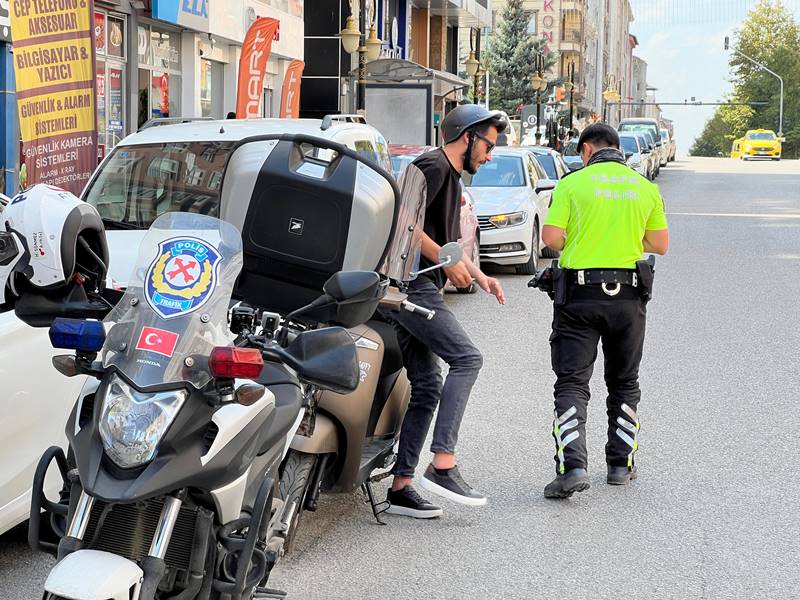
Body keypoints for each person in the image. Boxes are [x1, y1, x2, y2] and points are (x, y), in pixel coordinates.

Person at [384, 105, 507, 519]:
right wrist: (446, 260)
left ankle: (401, 486)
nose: (490, 156)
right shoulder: (432, 166)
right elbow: (403, 222)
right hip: (410, 285)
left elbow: (447, 241)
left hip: (418, 285)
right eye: (488, 145)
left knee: (428, 385)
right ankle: (443, 464)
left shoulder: (450, 177)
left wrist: (478, 273)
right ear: (467, 136)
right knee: (467, 358)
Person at [539, 123, 669, 499]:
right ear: (617, 147)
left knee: (572, 383)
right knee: (624, 382)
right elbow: (659, 244)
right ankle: (619, 465)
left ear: (586, 150)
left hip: (579, 297)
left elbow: (551, 238)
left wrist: (579, 236)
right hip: (628, 298)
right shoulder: (644, 188)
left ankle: (573, 468)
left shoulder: (572, 184)